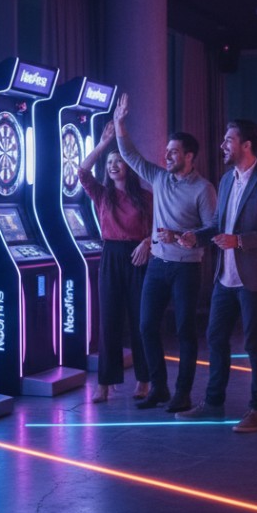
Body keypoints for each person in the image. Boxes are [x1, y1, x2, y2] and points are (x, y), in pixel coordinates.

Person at [176, 119, 257, 433]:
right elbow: (218, 225)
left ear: (246, 145)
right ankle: (214, 405)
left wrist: (239, 240)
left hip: (256, 277)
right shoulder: (226, 181)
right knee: (215, 338)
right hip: (225, 277)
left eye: (228, 140)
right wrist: (195, 236)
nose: (223, 145)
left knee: (254, 343)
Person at [112, 93, 217, 412]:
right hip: (158, 264)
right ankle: (158, 387)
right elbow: (132, 157)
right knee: (146, 327)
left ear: (190, 156)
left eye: (173, 152)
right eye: (167, 151)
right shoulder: (159, 177)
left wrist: (187, 236)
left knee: (185, 330)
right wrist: (119, 124)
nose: (167, 156)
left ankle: (182, 392)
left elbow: (213, 227)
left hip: (186, 268)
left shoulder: (203, 189)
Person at [77, 120, 153, 402]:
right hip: (110, 255)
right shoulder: (102, 194)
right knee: (108, 321)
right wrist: (102, 145)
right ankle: (104, 385)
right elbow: (83, 171)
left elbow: (158, 228)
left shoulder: (145, 197)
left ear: (129, 167)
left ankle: (144, 379)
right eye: (110, 162)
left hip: (138, 256)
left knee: (139, 321)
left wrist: (147, 242)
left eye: (118, 161)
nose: (113, 165)